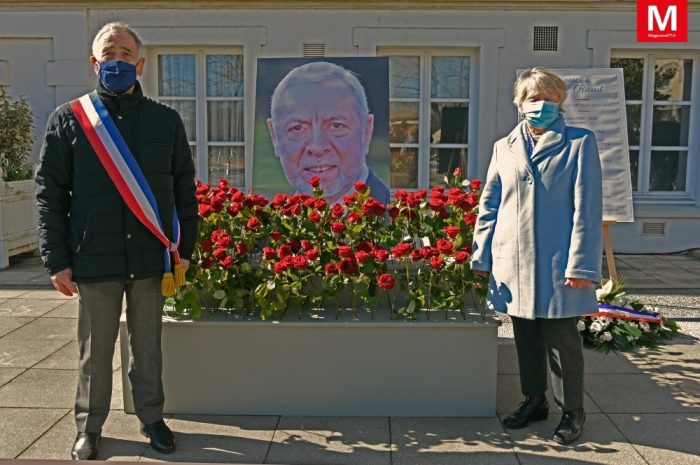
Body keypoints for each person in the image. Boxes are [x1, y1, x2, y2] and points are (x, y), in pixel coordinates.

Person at [35, 21, 197, 460]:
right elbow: (50, 193)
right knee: (95, 351)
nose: (118, 60)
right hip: (94, 257)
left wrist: (185, 251)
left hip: (150, 258)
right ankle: (89, 426)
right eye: (109, 52)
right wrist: (57, 259)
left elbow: (185, 189)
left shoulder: (166, 120)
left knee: (148, 348)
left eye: (126, 53)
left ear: (140, 63)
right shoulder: (70, 120)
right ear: (94, 62)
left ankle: (151, 418)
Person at [470, 67, 603, 445]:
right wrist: (481, 256)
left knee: (562, 339)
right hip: (512, 261)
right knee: (525, 335)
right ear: (520, 103)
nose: (541, 104)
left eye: (549, 97)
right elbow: (489, 204)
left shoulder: (579, 142)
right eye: (533, 98)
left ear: (560, 101)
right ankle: (534, 400)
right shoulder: (504, 146)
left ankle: (572, 410)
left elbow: (587, 209)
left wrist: (581, 265)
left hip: (560, 263)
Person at [267, 61, 391, 205]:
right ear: (274, 136)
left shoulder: (393, 217)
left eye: (336, 125)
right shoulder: (270, 222)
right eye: (297, 128)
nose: (317, 148)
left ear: (367, 132)